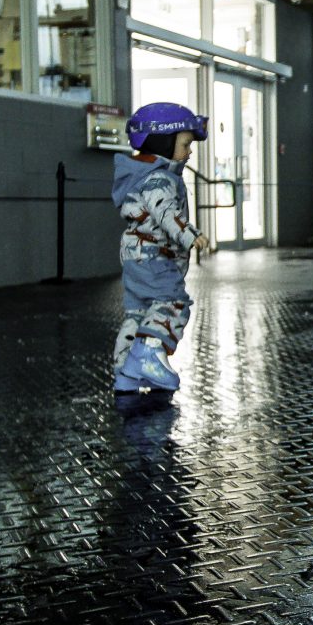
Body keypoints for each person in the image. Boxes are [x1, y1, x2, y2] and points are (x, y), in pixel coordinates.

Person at [110, 103, 213, 404]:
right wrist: (190, 235)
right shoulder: (159, 179)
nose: (189, 151)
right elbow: (165, 211)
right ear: (163, 141)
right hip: (155, 256)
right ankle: (146, 356)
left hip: (135, 256)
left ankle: (125, 371)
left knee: (139, 311)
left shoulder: (140, 176)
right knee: (173, 302)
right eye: (185, 144)